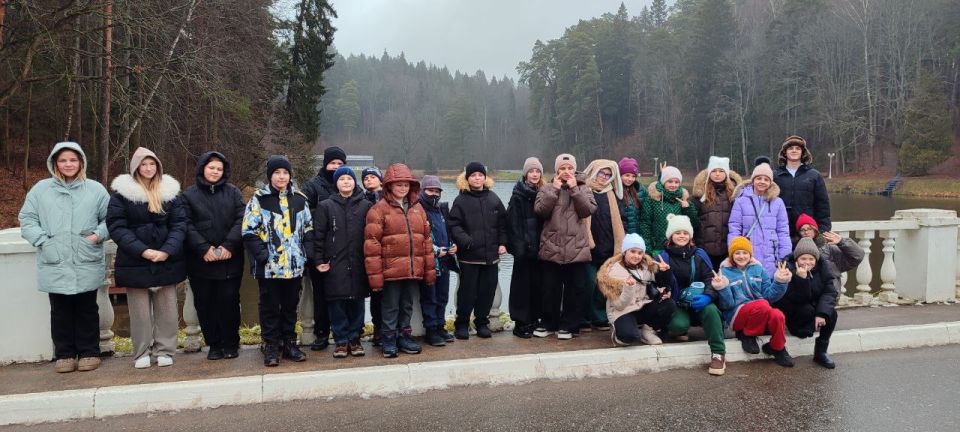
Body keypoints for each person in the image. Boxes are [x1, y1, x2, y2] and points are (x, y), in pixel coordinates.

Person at [19, 142, 110, 373]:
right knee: (59, 309)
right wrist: (43, 241)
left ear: (81, 162)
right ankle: (65, 354)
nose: (68, 164)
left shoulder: (95, 190)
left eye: (73, 160)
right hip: (55, 259)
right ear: (54, 163)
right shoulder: (41, 190)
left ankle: (89, 351)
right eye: (63, 160)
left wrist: (97, 236)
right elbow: (27, 219)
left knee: (87, 308)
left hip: (85, 258)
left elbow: (111, 220)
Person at [107, 147, 187, 369]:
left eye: (152, 164)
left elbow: (179, 225)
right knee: (140, 313)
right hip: (135, 260)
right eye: (144, 164)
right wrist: (143, 250)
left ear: (158, 167)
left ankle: (165, 350)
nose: (148, 168)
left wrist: (167, 250)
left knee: (168, 310)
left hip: (166, 259)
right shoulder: (122, 196)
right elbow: (117, 227)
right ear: (135, 168)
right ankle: (141, 351)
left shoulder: (171, 193)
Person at [242, 155, 312, 367]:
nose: (281, 176)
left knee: (291, 306)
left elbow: (308, 228)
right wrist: (263, 256)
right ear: (270, 176)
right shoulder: (259, 199)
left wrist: (306, 254)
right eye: (277, 173)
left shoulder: (300, 199)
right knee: (270, 307)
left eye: (285, 173)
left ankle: (290, 342)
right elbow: (248, 231)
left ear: (290, 175)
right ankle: (271, 344)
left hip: (294, 266)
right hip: (269, 267)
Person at [364, 163, 436, 358]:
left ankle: (404, 336)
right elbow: (372, 245)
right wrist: (376, 276)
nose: (403, 188)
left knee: (407, 305)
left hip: (412, 269)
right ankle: (388, 339)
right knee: (390, 306)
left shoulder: (418, 209)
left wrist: (429, 269)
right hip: (391, 271)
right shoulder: (378, 210)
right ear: (389, 186)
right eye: (398, 185)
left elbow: (426, 240)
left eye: (406, 185)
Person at [182, 151, 245, 361]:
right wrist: (203, 249)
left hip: (230, 259)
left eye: (219, 168)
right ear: (202, 168)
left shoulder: (233, 192)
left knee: (229, 301)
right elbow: (185, 224)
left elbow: (242, 219)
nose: (215, 172)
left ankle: (231, 343)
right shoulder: (189, 195)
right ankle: (214, 344)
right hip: (201, 261)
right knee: (205, 303)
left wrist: (229, 245)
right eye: (211, 168)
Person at [534, 153, 597, 340]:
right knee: (549, 289)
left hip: (576, 248)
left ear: (575, 170)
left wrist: (575, 189)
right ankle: (548, 324)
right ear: (556, 171)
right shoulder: (546, 188)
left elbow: (587, 211)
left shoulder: (584, 188)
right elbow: (540, 212)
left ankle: (569, 326)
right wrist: (553, 191)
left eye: (570, 168)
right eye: (562, 169)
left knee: (575, 290)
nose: (566, 172)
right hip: (551, 246)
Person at [313, 167, 372, 358]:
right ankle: (340, 341)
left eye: (349, 178)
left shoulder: (365, 205)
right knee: (336, 303)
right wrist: (319, 259)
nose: (346, 182)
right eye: (342, 179)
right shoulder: (326, 206)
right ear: (336, 183)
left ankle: (355, 340)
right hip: (335, 263)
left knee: (357, 302)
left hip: (358, 263)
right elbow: (318, 236)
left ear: (355, 182)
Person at [657, 215, 727, 376]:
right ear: (670, 236)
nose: (682, 236)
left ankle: (718, 353)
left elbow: (711, 278)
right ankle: (681, 329)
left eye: (685, 232)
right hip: (678, 304)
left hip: (699, 301)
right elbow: (661, 287)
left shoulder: (699, 254)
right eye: (677, 232)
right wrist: (663, 273)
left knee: (711, 310)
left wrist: (708, 296)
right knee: (678, 325)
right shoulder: (663, 257)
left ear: (690, 236)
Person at [778, 227, 855, 369]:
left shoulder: (823, 268)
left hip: (813, 310)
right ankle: (804, 330)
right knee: (806, 309)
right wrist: (802, 279)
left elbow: (829, 292)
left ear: (816, 259)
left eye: (811, 259)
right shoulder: (787, 270)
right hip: (796, 314)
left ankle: (821, 352)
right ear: (796, 259)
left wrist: (821, 313)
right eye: (803, 258)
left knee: (831, 313)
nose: (807, 262)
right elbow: (794, 299)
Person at [448, 162, 508, 340]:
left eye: (480, 175)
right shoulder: (461, 200)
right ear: (467, 179)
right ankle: (462, 324)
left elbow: (503, 224)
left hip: (491, 257)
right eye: (473, 175)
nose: (477, 178)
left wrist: (503, 243)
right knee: (467, 292)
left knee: (487, 292)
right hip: (469, 257)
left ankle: (482, 323)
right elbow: (454, 225)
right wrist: (467, 241)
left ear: (485, 178)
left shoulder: (493, 198)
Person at [716, 236, 794, 368]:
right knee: (763, 304)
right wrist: (722, 288)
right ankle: (746, 334)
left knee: (777, 315)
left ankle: (777, 347)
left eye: (745, 253)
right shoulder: (724, 272)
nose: (741, 256)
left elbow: (769, 296)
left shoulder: (759, 269)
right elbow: (727, 305)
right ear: (731, 255)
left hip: (760, 311)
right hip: (737, 315)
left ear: (750, 254)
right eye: (737, 253)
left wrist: (780, 281)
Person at [301, 146, 348, 351]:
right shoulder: (312, 186)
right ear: (325, 164)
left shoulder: (348, 185)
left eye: (340, 164)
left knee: (344, 294)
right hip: (319, 248)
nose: (336, 167)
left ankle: (346, 333)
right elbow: (302, 214)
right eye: (332, 163)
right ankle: (321, 333)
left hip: (344, 251)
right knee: (320, 295)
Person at [597, 233, 676, 348]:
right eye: (632, 251)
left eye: (640, 253)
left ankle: (647, 331)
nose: (636, 256)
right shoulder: (612, 272)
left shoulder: (646, 266)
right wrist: (629, 288)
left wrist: (665, 272)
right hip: (622, 311)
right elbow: (619, 305)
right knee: (629, 337)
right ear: (624, 252)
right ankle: (619, 331)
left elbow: (661, 284)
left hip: (642, 305)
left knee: (669, 304)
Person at [582, 159, 626, 331]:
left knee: (603, 284)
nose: (604, 177)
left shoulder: (612, 194)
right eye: (601, 173)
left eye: (608, 175)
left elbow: (621, 220)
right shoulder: (583, 190)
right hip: (587, 246)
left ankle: (599, 317)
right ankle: (584, 318)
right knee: (587, 283)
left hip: (608, 245)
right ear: (594, 171)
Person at [728, 162, 791, 276]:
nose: (762, 182)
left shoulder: (778, 202)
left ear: (770, 182)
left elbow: (783, 230)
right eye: (759, 178)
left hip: (771, 253)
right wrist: (733, 250)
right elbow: (734, 228)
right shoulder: (741, 200)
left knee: (769, 285)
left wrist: (784, 255)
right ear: (753, 180)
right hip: (747, 253)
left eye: (766, 179)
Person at [506, 157, 545, 338]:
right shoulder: (518, 196)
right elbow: (512, 224)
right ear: (525, 174)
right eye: (531, 171)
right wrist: (519, 249)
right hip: (524, 250)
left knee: (538, 287)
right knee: (521, 288)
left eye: (537, 171)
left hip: (541, 250)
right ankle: (520, 323)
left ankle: (534, 320)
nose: (535, 174)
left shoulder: (544, 193)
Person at [419, 175, 458, 346]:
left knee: (442, 296)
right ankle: (431, 330)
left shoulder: (442, 210)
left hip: (445, 261)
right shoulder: (418, 209)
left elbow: (446, 232)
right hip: (429, 262)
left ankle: (441, 326)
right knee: (430, 298)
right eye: (430, 190)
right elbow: (418, 237)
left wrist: (452, 245)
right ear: (422, 191)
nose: (434, 194)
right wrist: (435, 250)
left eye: (437, 191)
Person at [773, 135, 831, 240]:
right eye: (790, 148)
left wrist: (823, 230)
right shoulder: (775, 175)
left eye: (797, 148)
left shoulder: (814, 175)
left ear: (803, 152)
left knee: (805, 256)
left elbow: (822, 205)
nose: (794, 151)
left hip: (806, 230)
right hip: (781, 229)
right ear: (785, 153)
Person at [795, 213, 864, 298]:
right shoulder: (796, 251)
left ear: (815, 230)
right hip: (806, 296)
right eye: (802, 229)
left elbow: (857, 257)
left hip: (830, 296)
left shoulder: (829, 248)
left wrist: (842, 242)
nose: (806, 232)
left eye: (809, 228)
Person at [692, 156, 742, 271]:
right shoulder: (700, 195)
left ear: (727, 174)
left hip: (727, 248)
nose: (717, 174)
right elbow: (692, 220)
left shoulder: (735, 195)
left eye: (721, 171)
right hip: (704, 248)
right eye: (714, 171)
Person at [640, 164, 697, 256]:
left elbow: (695, 224)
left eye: (676, 182)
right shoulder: (652, 199)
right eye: (670, 181)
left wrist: (688, 209)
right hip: (658, 248)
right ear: (663, 182)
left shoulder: (684, 199)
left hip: (679, 247)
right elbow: (645, 224)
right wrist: (648, 248)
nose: (673, 185)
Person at [360, 166, 385, 344]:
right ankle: (377, 328)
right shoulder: (360, 200)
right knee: (375, 294)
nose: (369, 180)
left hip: (387, 253)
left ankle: (387, 329)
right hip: (368, 252)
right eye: (366, 178)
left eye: (372, 177)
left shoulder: (388, 199)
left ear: (381, 180)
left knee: (387, 295)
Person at [618, 157, 646, 235]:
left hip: (637, 236)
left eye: (633, 176)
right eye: (627, 175)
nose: (630, 179)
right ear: (620, 175)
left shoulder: (640, 190)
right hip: (621, 236)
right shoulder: (614, 191)